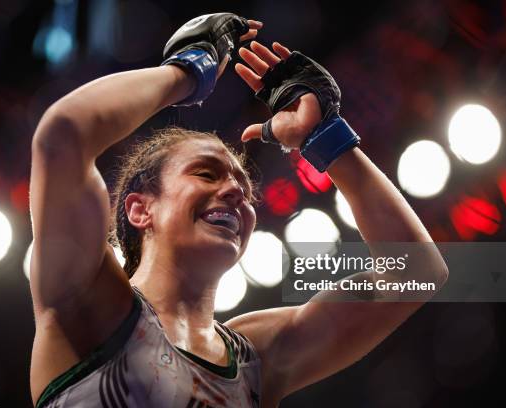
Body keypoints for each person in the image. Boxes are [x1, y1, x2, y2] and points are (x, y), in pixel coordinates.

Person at [28, 13, 448, 408]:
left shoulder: (256, 358)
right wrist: (185, 72)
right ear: (140, 210)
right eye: (206, 174)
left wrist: (326, 139)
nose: (234, 191)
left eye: (243, 189)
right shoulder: (89, 300)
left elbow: (416, 274)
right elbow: (63, 135)